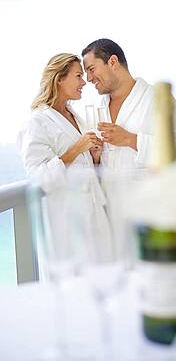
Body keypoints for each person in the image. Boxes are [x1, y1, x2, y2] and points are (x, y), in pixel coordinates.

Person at [17, 54, 112, 277]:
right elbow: (39, 179)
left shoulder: (74, 116)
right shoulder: (36, 122)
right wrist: (76, 149)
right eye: (78, 75)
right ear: (59, 78)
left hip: (95, 215)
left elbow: (83, 167)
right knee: (77, 293)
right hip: (69, 223)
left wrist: (94, 157)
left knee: (103, 284)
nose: (84, 82)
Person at [81, 38, 176, 170]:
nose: (88, 79)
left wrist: (130, 139)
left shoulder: (157, 99)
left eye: (91, 69)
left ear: (113, 62)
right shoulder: (98, 109)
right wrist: (96, 159)